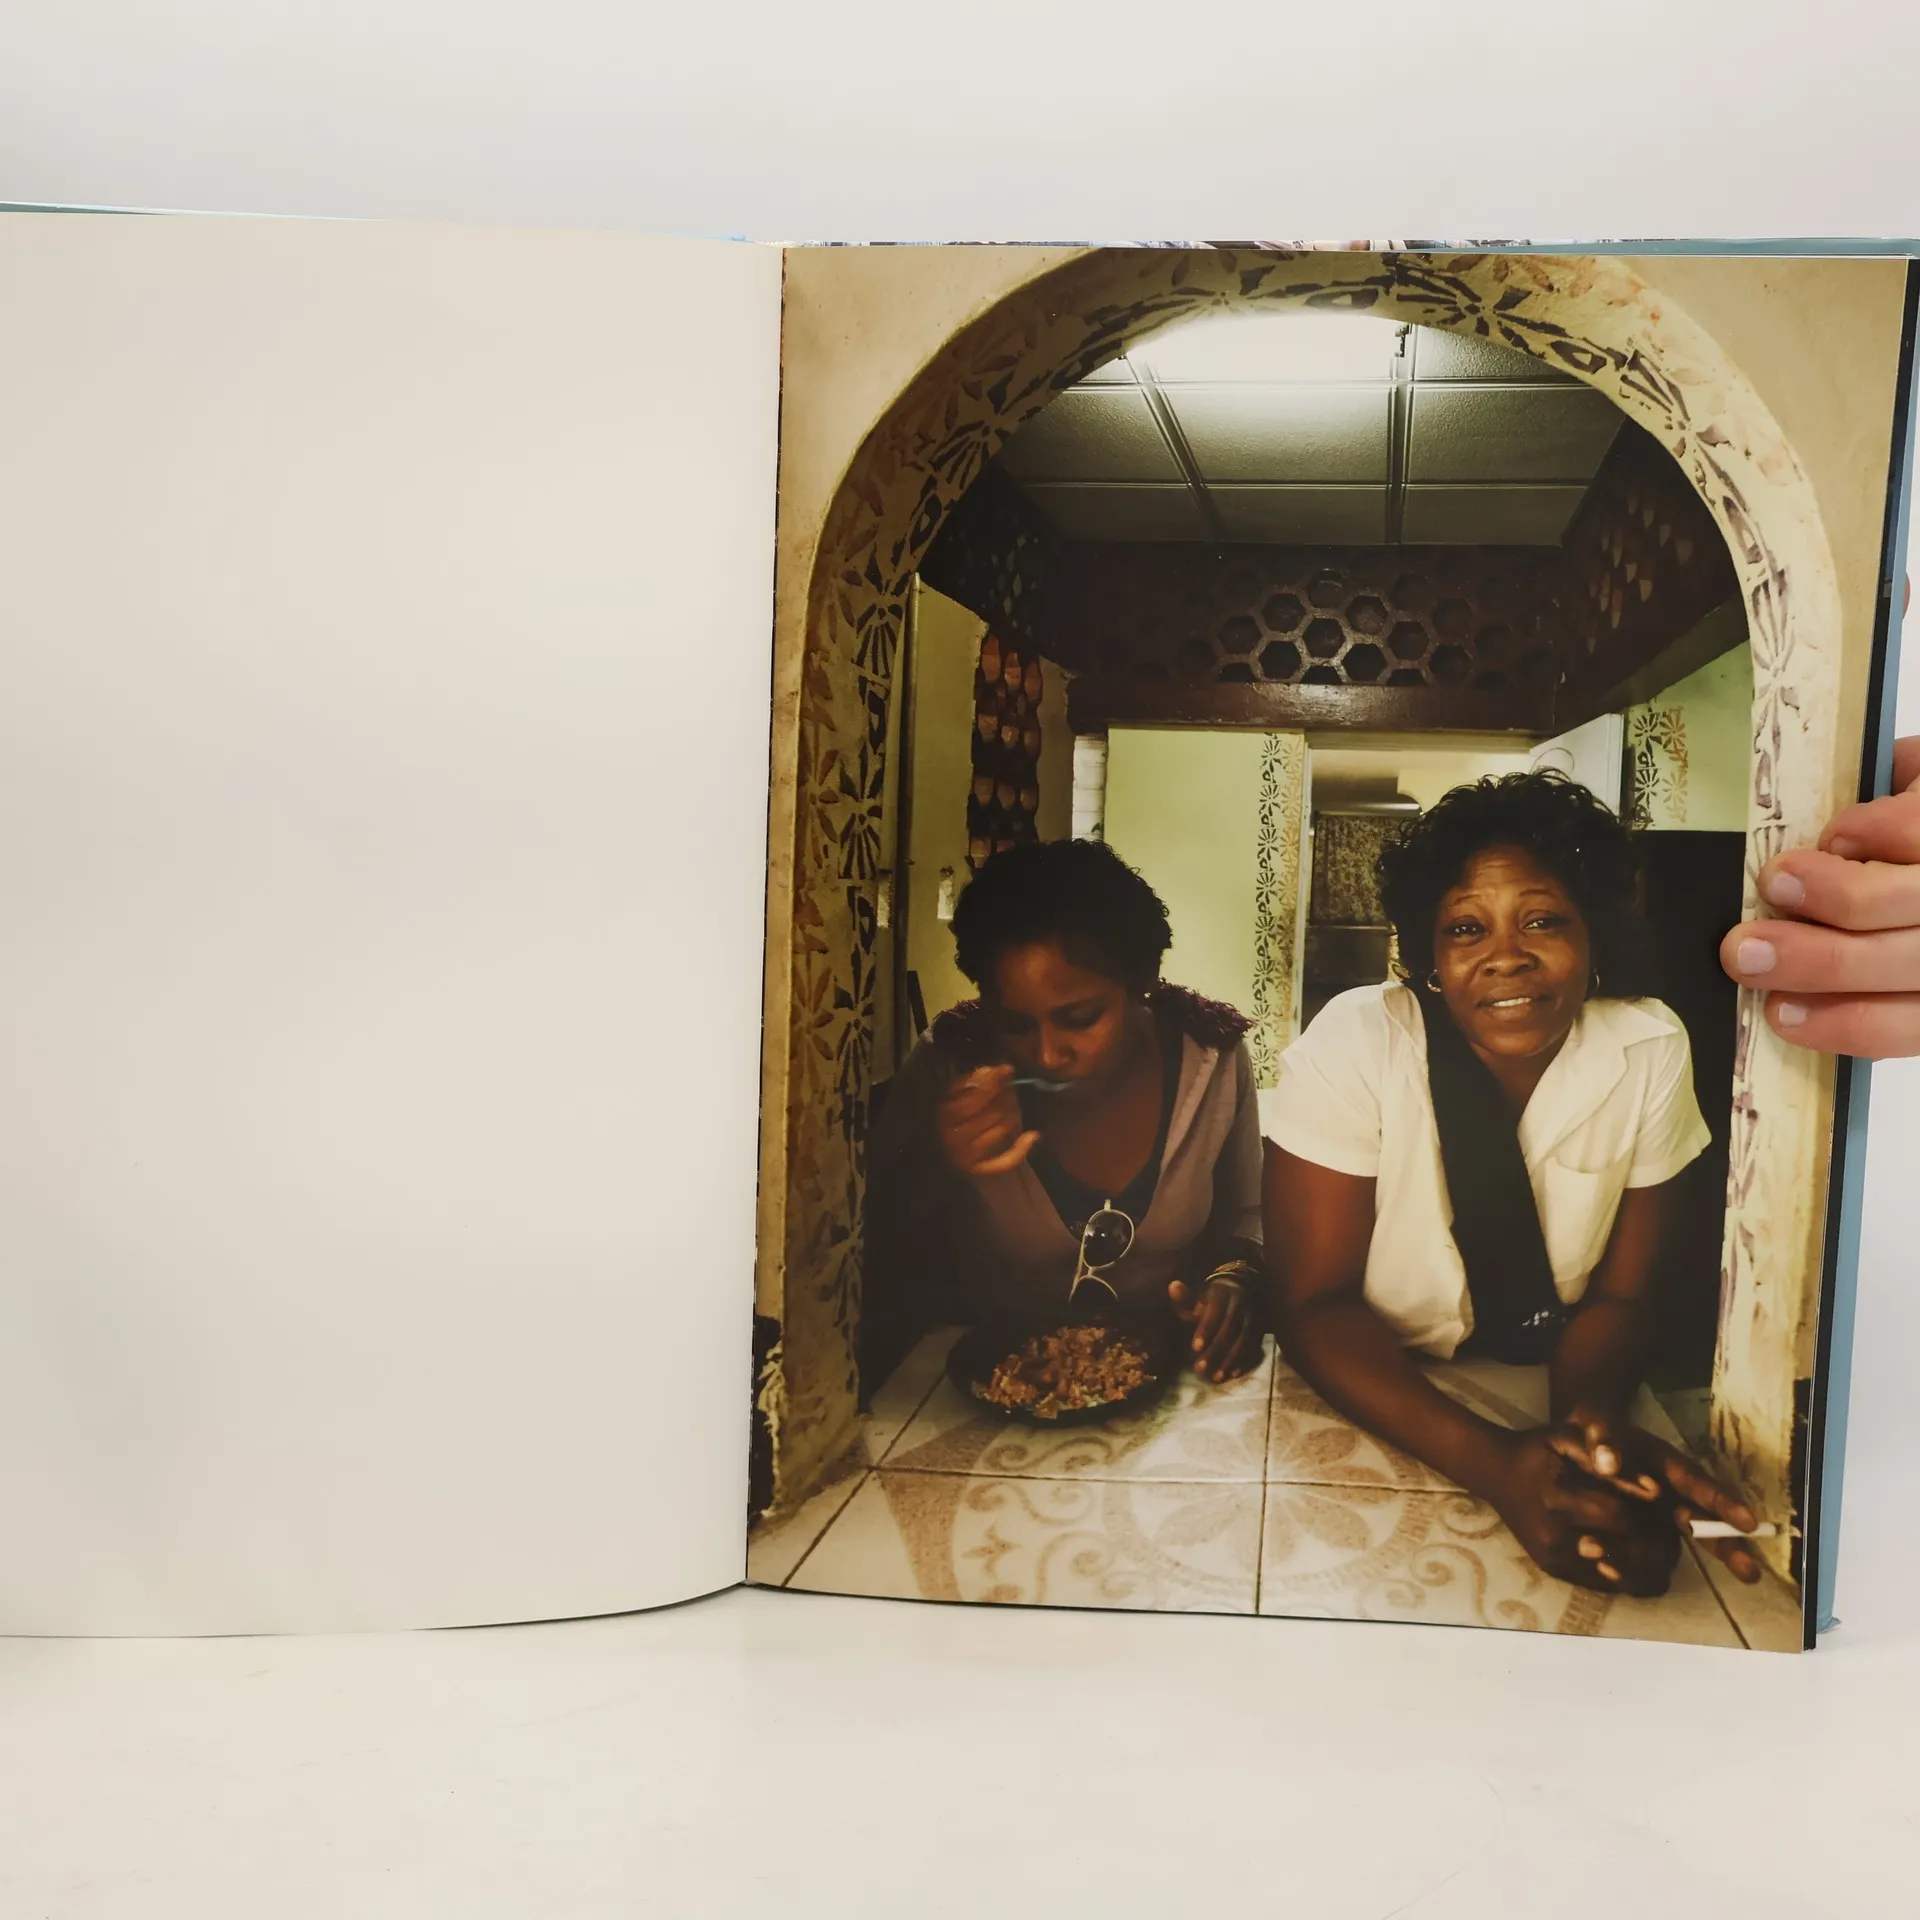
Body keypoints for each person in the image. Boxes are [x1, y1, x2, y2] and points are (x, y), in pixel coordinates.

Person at [1261, 771, 1761, 1598]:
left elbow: (1623, 1296)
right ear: (1429, 955)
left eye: (1542, 920)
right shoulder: (1358, 1043)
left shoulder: (1648, 1046)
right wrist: (1499, 1467)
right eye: (1466, 928)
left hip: (1544, 1374)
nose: (1506, 955)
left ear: (1594, 936)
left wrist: (1589, 1438)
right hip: (1376, 1383)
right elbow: (1314, 1305)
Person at [864, 838, 1265, 1384]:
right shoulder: (949, 1066)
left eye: (1080, 1018)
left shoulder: (1212, 1059)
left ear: (1143, 981)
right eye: (1015, 1025)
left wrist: (1233, 1279)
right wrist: (937, 1159)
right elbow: (867, 1254)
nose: (1049, 1055)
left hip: (1167, 1377)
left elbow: (1247, 1213)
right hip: (988, 1380)